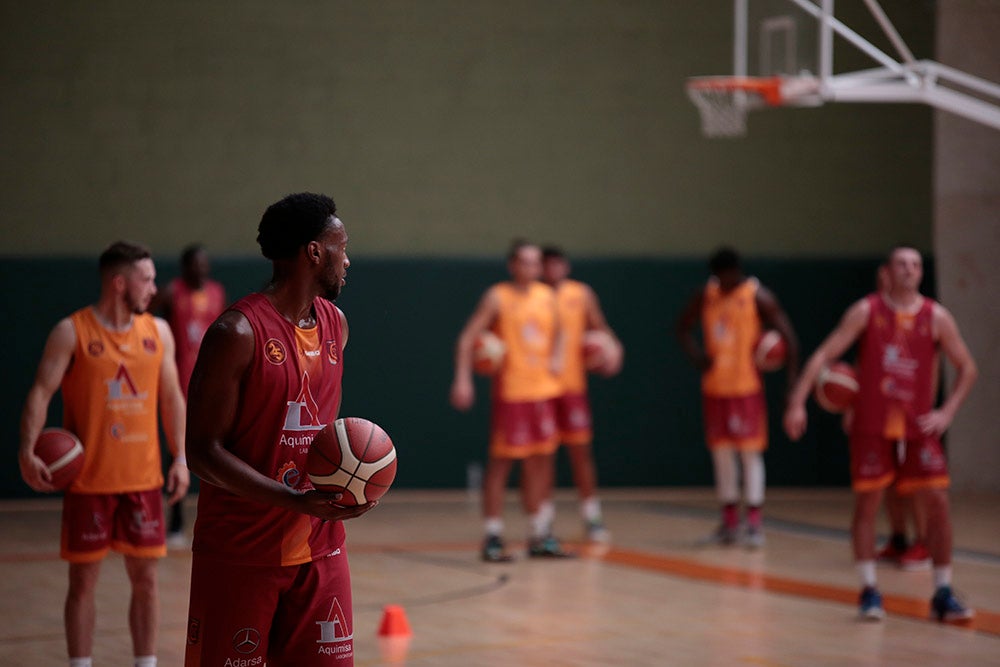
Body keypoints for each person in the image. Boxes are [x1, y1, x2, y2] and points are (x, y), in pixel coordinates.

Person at [184, 192, 376, 666]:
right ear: (314, 252)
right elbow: (202, 453)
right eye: (341, 246)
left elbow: (322, 437)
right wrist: (291, 499)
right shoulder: (237, 333)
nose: (347, 260)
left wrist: (357, 476)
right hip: (241, 552)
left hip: (321, 548)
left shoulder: (337, 326)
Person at [784, 246, 977, 622]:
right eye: (902, 264)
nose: (909, 270)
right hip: (872, 427)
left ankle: (942, 590)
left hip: (918, 428)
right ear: (888, 271)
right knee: (868, 505)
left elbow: (967, 366)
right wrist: (797, 402)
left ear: (922, 273)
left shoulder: (936, 317)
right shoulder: (865, 311)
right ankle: (869, 590)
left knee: (938, 502)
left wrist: (947, 411)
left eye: (916, 264)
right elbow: (824, 355)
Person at [18, 241, 189, 667]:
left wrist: (181, 457)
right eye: (146, 280)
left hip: (143, 481)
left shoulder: (159, 331)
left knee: (146, 581)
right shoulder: (71, 331)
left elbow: (172, 399)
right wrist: (26, 449)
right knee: (82, 583)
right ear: (119, 283)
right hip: (88, 482)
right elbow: (40, 393)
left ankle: (145, 663)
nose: (154, 288)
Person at [450, 239, 572, 561]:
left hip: (544, 391)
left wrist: (558, 358)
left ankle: (539, 533)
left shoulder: (548, 296)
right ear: (512, 265)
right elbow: (467, 338)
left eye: (536, 262)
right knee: (501, 464)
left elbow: (561, 332)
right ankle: (492, 535)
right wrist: (464, 379)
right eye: (525, 262)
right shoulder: (497, 297)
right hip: (512, 393)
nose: (531, 268)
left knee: (541, 463)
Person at [676, 247, 799, 548]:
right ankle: (729, 520)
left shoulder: (758, 296)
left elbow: (790, 340)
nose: (725, 281)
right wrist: (697, 357)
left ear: (737, 271)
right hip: (715, 387)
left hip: (747, 388)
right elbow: (682, 328)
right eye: (720, 277)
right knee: (721, 455)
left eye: (729, 275)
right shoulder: (706, 295)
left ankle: (754, 520)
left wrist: (791, 387)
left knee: (749, 453)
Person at [540, 246, 623, 543]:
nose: (552, 270)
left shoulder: (581, 294)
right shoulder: (535, 296)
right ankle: (543, 520)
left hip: (573, 387)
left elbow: (601, 328)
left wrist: (612, 350)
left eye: (556, 264)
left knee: (580, 453)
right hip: (541, 388)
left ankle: (592, 516)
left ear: (565, 266)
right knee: (543, 458)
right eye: (546, 264)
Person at [157, 243, 227, 546]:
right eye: (194, 264)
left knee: (216, 449)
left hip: (210, 382)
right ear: (185, 267)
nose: (200, 268)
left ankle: (217, 521)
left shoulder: (216, 292)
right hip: (179, 383)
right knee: (178, 452)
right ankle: (174, 523)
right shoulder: (171, 293)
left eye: (204, 263)